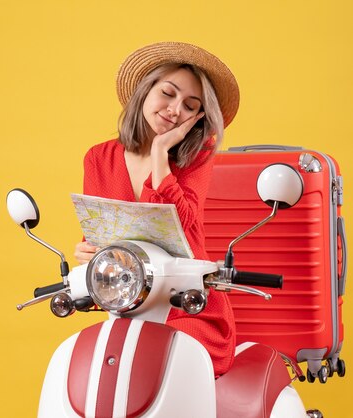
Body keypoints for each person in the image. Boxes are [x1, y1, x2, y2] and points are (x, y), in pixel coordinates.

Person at [74, 42, 240, 376]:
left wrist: (160, 153)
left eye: (189, 106)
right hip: (129, 304)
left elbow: (185, 223)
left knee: (162, 361)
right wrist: (89, 251)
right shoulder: (98, 158)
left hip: (189, 307)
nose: (174, 109)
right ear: (145, 89)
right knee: (95, 364)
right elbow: (104, 235)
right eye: (168, 93)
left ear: (196, 119)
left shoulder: (197, 156)